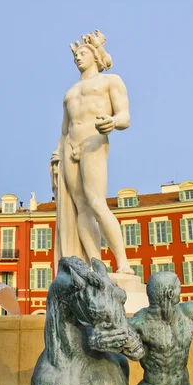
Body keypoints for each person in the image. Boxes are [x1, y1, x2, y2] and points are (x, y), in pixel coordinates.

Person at [51, 30, 133, 274]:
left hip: (93, 139)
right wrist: (57, 153)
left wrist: (113, 121)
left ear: (96, 57)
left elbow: (125, 116)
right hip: (70, 146)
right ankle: (96, 267)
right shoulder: (70, 92)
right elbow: (64, 129)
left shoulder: (111, 81)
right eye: (75, 54)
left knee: (97, 203)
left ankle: (124, 264)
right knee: (81, 208)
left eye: (83, 53)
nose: (78, 57)